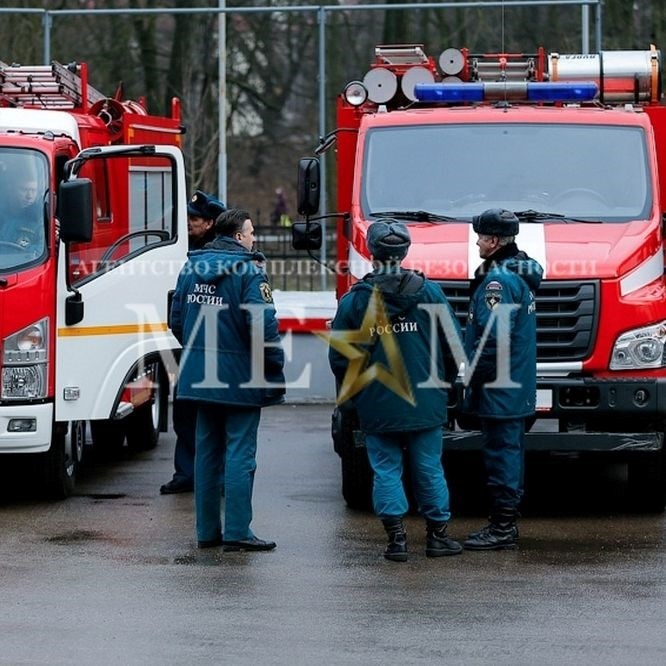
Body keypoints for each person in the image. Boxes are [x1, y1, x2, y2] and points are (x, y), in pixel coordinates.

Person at [328, 220, 463, 562]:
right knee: (429, 467)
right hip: (425, 399)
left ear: (372, 254)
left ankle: (396, 541)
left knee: (386, 468)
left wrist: (355, 395)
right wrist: (446, 385)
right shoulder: (429, 292)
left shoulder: (356, 300)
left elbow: (341, 357)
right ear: (404, 252)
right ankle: (437, 537)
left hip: (377, 400)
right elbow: (453, 344)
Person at [170, 207, 285, 551]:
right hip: (240, 379)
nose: (254, 239)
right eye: (251, 233)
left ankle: (207, 532)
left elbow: (176, 319)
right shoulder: (250, 272)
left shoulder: (191, 267)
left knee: (205, 452)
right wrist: (273, 363)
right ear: (238, 237)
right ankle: (237, 532)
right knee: (240, 454)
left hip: (198, 378)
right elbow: (261, 327)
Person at [462, 208, 543, 551]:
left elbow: (495, 340)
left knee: (502, 455)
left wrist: (473, 381)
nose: (477, 242)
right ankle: (503, 525)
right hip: (512, 386)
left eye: (480, 237)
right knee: (508, 452)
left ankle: (503, 528)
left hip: (500, 389)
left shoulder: (498, 281)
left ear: (494, 241)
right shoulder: (518, 272)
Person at [160, 189, 226, 495]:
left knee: (205, 415)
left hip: (197, 350)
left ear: (211, 223)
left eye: (195, 218)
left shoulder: (202, 258)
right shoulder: (191, 252)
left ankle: (195, 474)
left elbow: (178, 310)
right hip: (208, 350)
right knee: (187, 414)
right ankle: (196, 475)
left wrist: (185, 339)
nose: (188, 222)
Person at [0, 172, 44, 254]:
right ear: (12, 189)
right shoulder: (2, 214)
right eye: (24, 190)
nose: (29, 196)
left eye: (33, 190)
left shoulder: (41, 218)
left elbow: (41, 251)